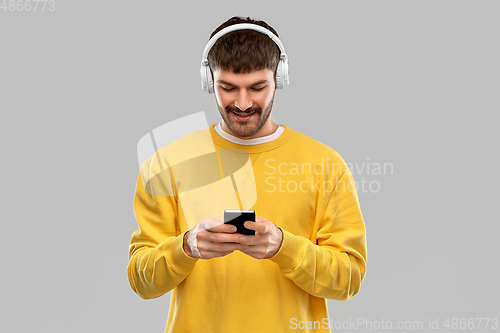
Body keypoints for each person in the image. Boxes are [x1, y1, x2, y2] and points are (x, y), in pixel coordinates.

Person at [128, 16, 367, 333]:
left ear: (279, 78)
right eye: (227, 88)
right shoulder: (167, 162)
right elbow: (141, 281)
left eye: (257, 88)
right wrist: (186, 247)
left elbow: (348, 280)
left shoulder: (325, 164)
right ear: (208, 80)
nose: (242, 103)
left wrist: (284, 246)